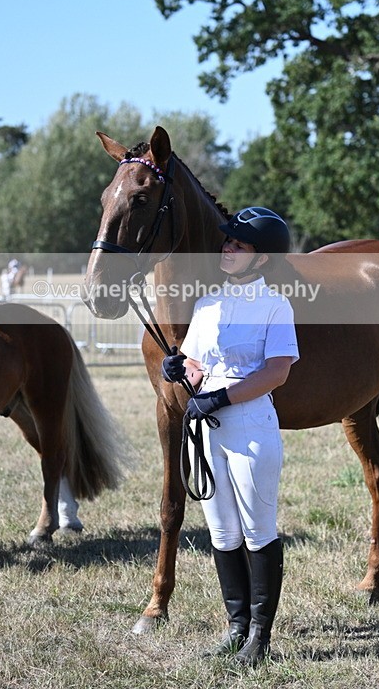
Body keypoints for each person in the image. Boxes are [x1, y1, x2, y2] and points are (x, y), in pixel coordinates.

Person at [162, 207, 299, 666]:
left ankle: (260, 637)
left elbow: (277, 372)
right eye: (228, 242)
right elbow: (197, 366)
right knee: (222, 531)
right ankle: (236, 629)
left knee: (258, 530)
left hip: (250, 425)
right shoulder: (207, 304)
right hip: (207, 427)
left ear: (261, 258)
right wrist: (178, 368)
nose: (228, 248)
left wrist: (222, 398)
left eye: (239, 245)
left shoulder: (276, 306)